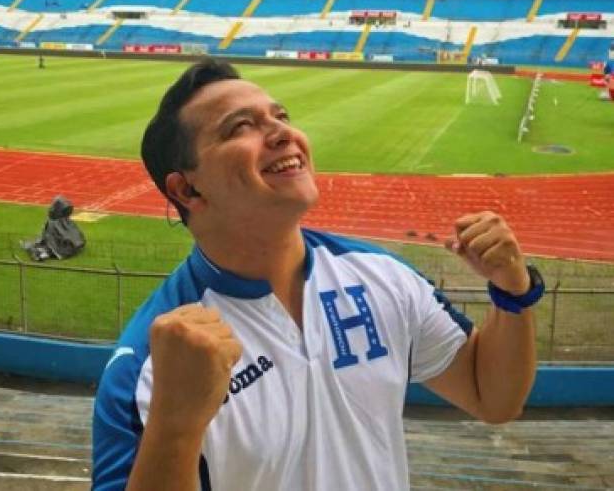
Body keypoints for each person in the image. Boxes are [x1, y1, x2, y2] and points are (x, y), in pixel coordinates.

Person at [92, 59, 543, 491]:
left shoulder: (381, 277)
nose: (282, 132)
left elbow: (494, 397)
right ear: (186, 188)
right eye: (241, 127)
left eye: (281, 115)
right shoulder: (150, 367)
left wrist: (512, 289)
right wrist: (174, 424)